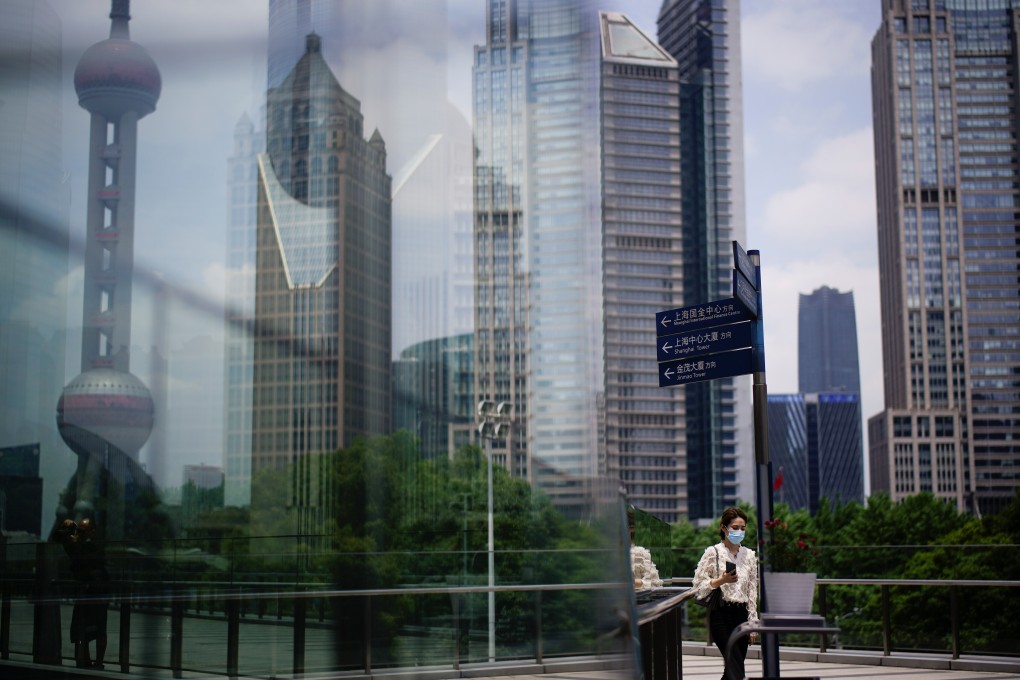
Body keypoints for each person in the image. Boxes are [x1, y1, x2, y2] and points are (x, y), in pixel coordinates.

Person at [692, 507, 758, 680]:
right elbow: (698, 586)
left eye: (743, 528)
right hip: (721, 615)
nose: (739, 531)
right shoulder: (713, 552)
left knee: (732, 671)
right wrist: (721, 581)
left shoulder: (750, 555)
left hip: (742, 616)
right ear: (724, 528)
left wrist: (753, 623)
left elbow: (752, 592)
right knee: (736, 669)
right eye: (735, 527)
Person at [56, 518, 110, 668]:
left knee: (98, 628)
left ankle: (97, 662)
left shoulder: (91, 546)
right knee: (83, 628)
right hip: (89, 590)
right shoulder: (82, 546)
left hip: (97, 591)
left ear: (91, 532)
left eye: (82, 531)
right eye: (78, 530)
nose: (79, 533)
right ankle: (86, 660)